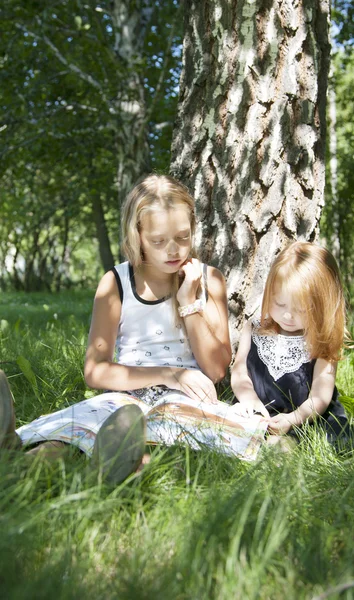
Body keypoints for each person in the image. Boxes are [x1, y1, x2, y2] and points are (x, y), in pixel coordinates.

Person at [0, 174, 232, 482]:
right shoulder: (117, 283)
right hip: (124, 402)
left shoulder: (208, 279)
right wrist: (169, 374)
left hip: (184, 402)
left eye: (183, 237)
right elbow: (95, 372)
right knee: (73, 435)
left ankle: (110, 470)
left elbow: (216, 370)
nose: (174, 250)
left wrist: (188, 301)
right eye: (159, 241)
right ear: (137, 236)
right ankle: (16, 463)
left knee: (163, 446)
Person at [231, 241, 354, 450]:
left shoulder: (322, 340)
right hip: (258, 411)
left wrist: (294, 418)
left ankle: (285, 446)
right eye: (280, 304)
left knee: (323, 438)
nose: (288, 315)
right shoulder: (254, 328)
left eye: (303, 309)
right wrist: (249, 400)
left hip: (306, 416)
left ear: (323, 306)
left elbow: (321, 395)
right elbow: (239, 370)